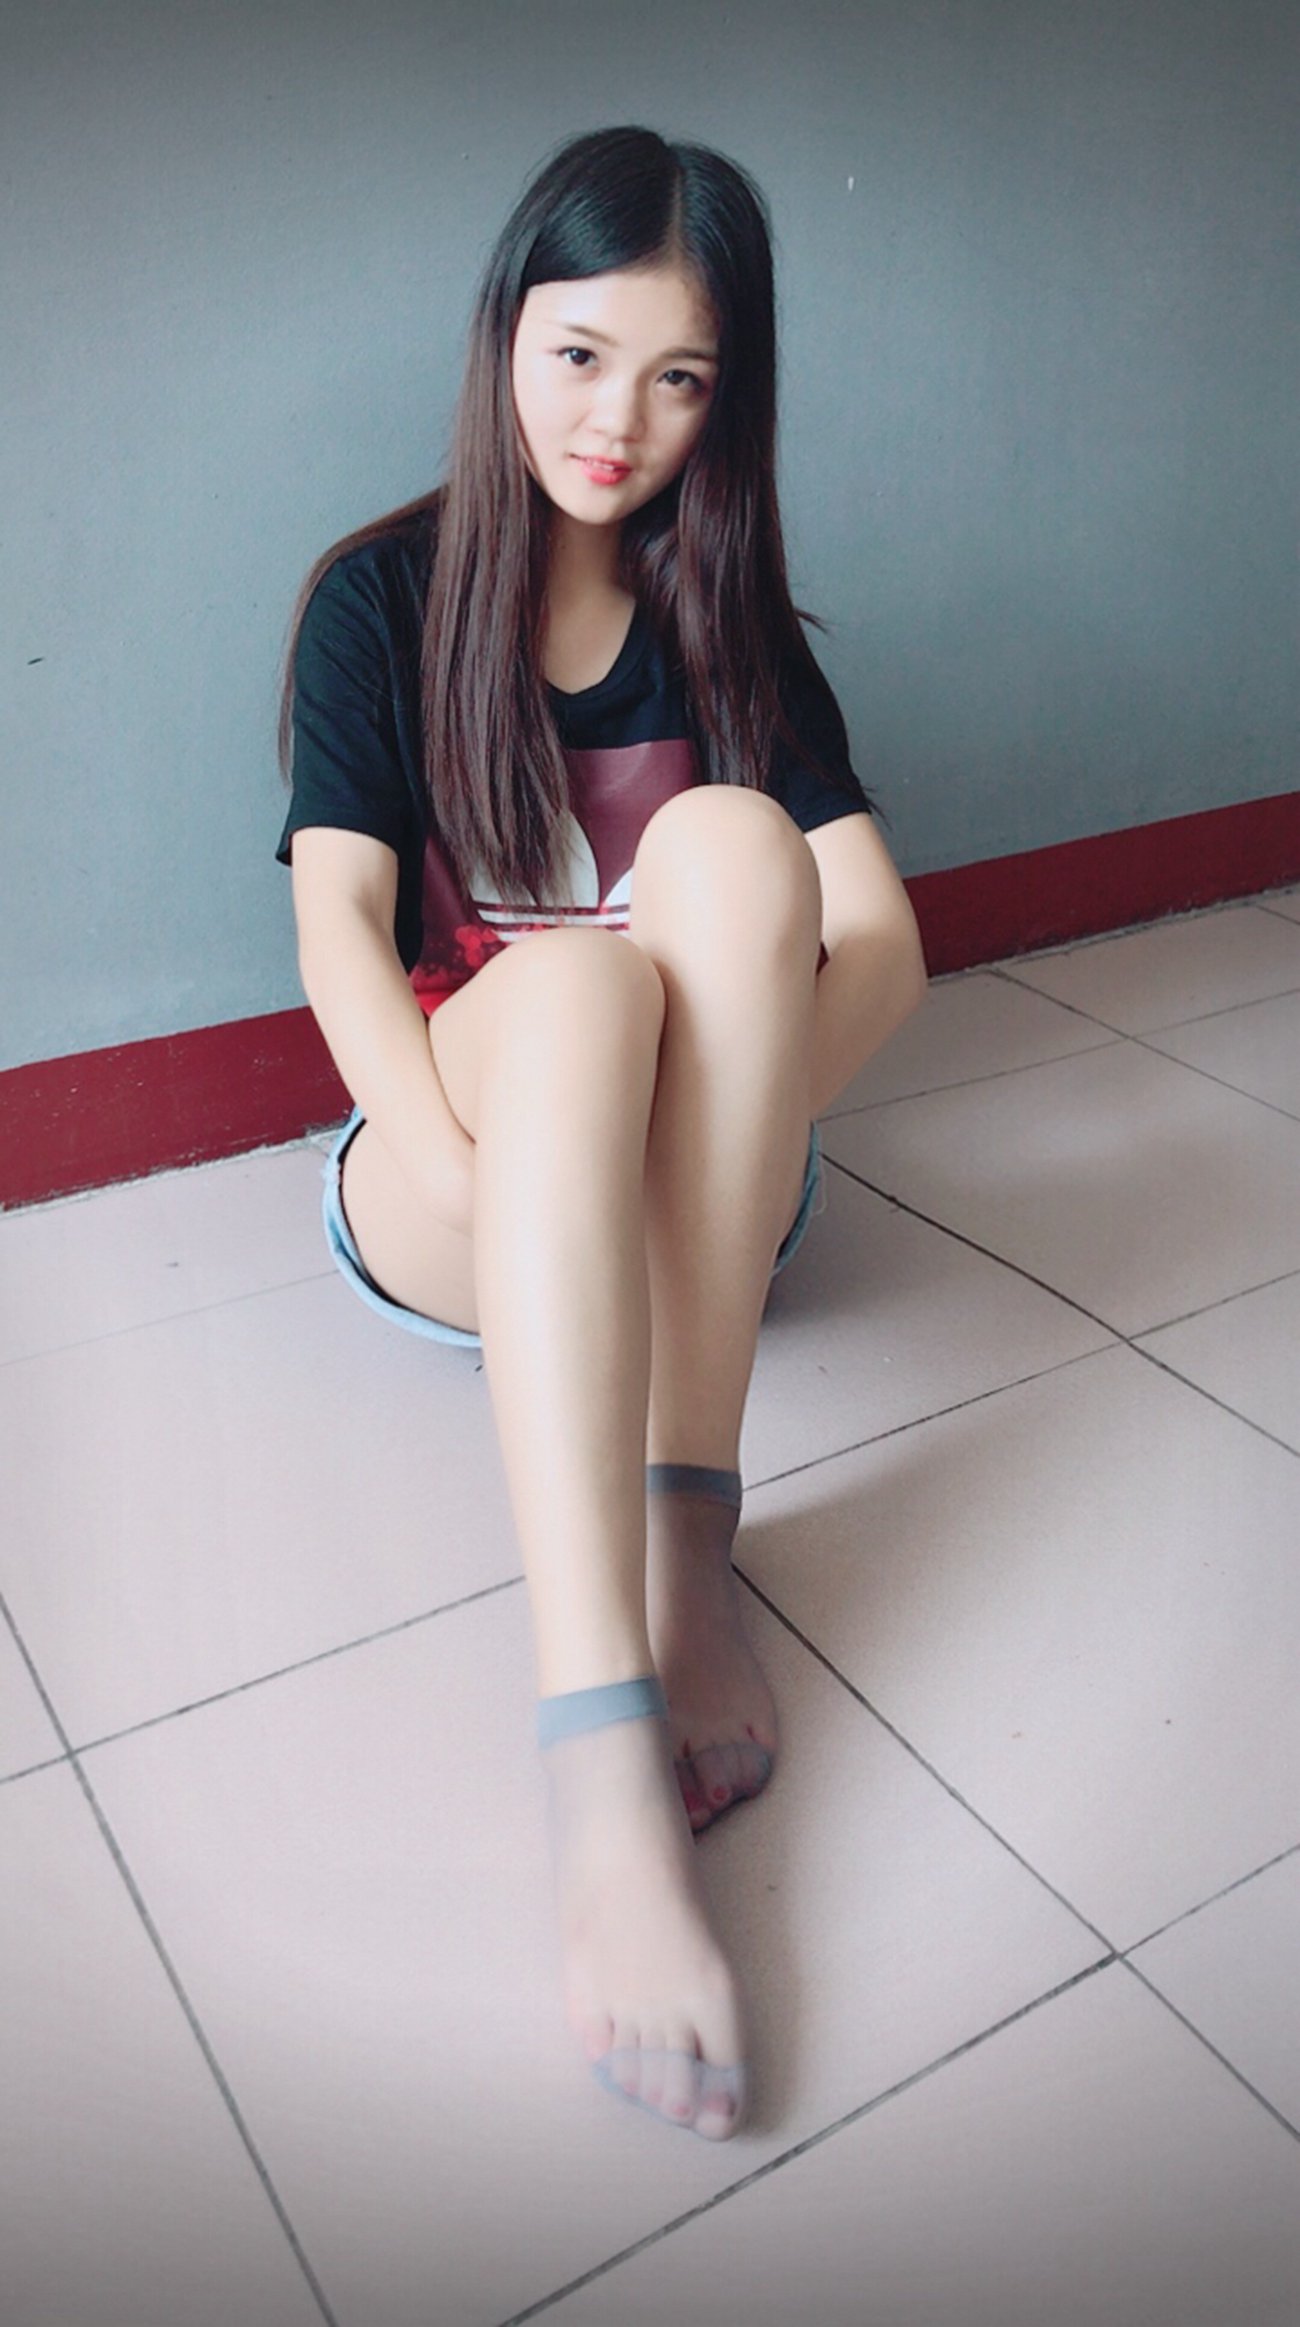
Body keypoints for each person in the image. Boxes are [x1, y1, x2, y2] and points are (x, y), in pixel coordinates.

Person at [276, 124, 926, 2143]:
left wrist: (697, 1162)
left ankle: (687, 1534)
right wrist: (474, 1174)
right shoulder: (382, 597)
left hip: (685, 1230)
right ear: (505, 336)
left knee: (732, 850)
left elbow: (884, 943)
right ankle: (595, 1748)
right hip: (458, 1178)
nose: (615, 423)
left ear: (727, 401)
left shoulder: (723, 619)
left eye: (679, 379)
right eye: (578, 355)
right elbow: (338, 934)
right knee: (569, 988)